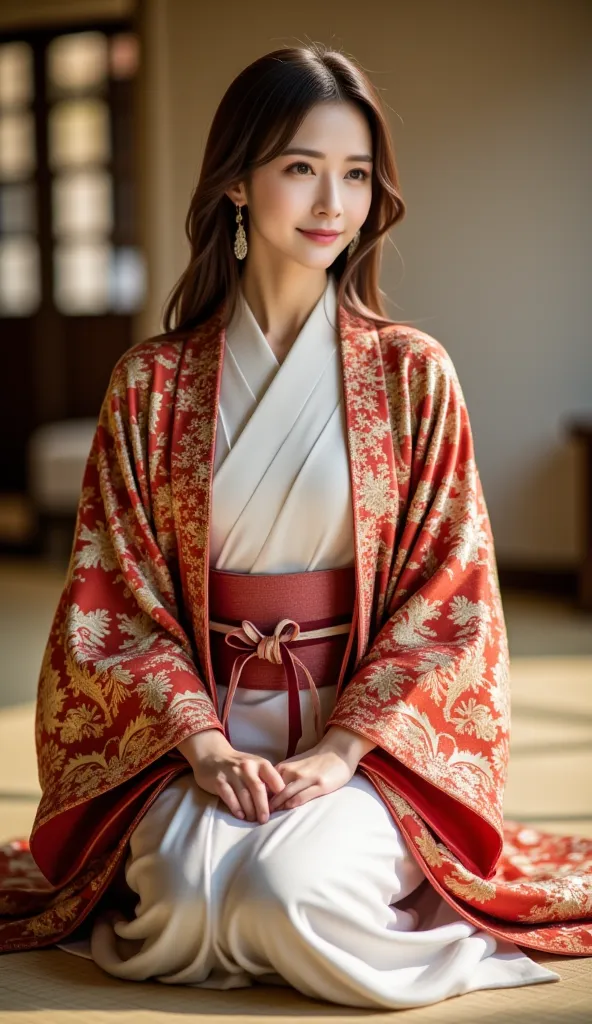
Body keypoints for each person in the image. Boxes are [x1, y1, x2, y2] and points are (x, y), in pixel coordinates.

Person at [1, 42, 590, 1010]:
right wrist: (204, 746)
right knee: (182, 908)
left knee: (284, 899)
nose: (332, 203)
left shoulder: (411, 376)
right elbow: (109, 603)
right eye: (300, 169)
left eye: (355, 175)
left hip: (360, 746)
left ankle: (384, 870)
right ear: (235, 184)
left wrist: (339, 749)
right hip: (202, 740)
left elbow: (452, 599)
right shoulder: (151, 386)